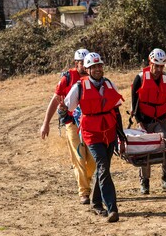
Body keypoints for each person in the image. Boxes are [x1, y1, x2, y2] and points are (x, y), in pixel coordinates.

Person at [62, 52, 126, 223]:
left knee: (102, 169)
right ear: (87, 69)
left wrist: (122, 136)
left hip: (110, 132)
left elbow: (117, 110)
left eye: (100, 66)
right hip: (91, 134)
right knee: (103, 166)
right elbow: (66, 108)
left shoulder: (110, 84)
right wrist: (68, 121)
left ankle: (96, 203)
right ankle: (112, 208)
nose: (98, 69)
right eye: (93, 67)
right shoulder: (79, 87)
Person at [40, 48, 96, 205]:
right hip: (72, 124)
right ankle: (84, 192)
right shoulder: (67, 78)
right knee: (79, 157)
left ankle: (86, 179)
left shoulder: (94, 78)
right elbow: (55, 99)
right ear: (76, 63)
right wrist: (46, 124)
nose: (86, 67)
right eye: (82, 64)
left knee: (93, 160)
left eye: (87, 64)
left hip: (90, 124)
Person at [131, 48, 166, 195]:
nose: (158, 69)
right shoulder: (140, 78)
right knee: (145, 151)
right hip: (144, 120)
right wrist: (139, 121)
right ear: (150, 63)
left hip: (161, 119)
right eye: (156, 66)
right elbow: (134, 103)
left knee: (165, 146)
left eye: (161, 66)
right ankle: (145, 182)